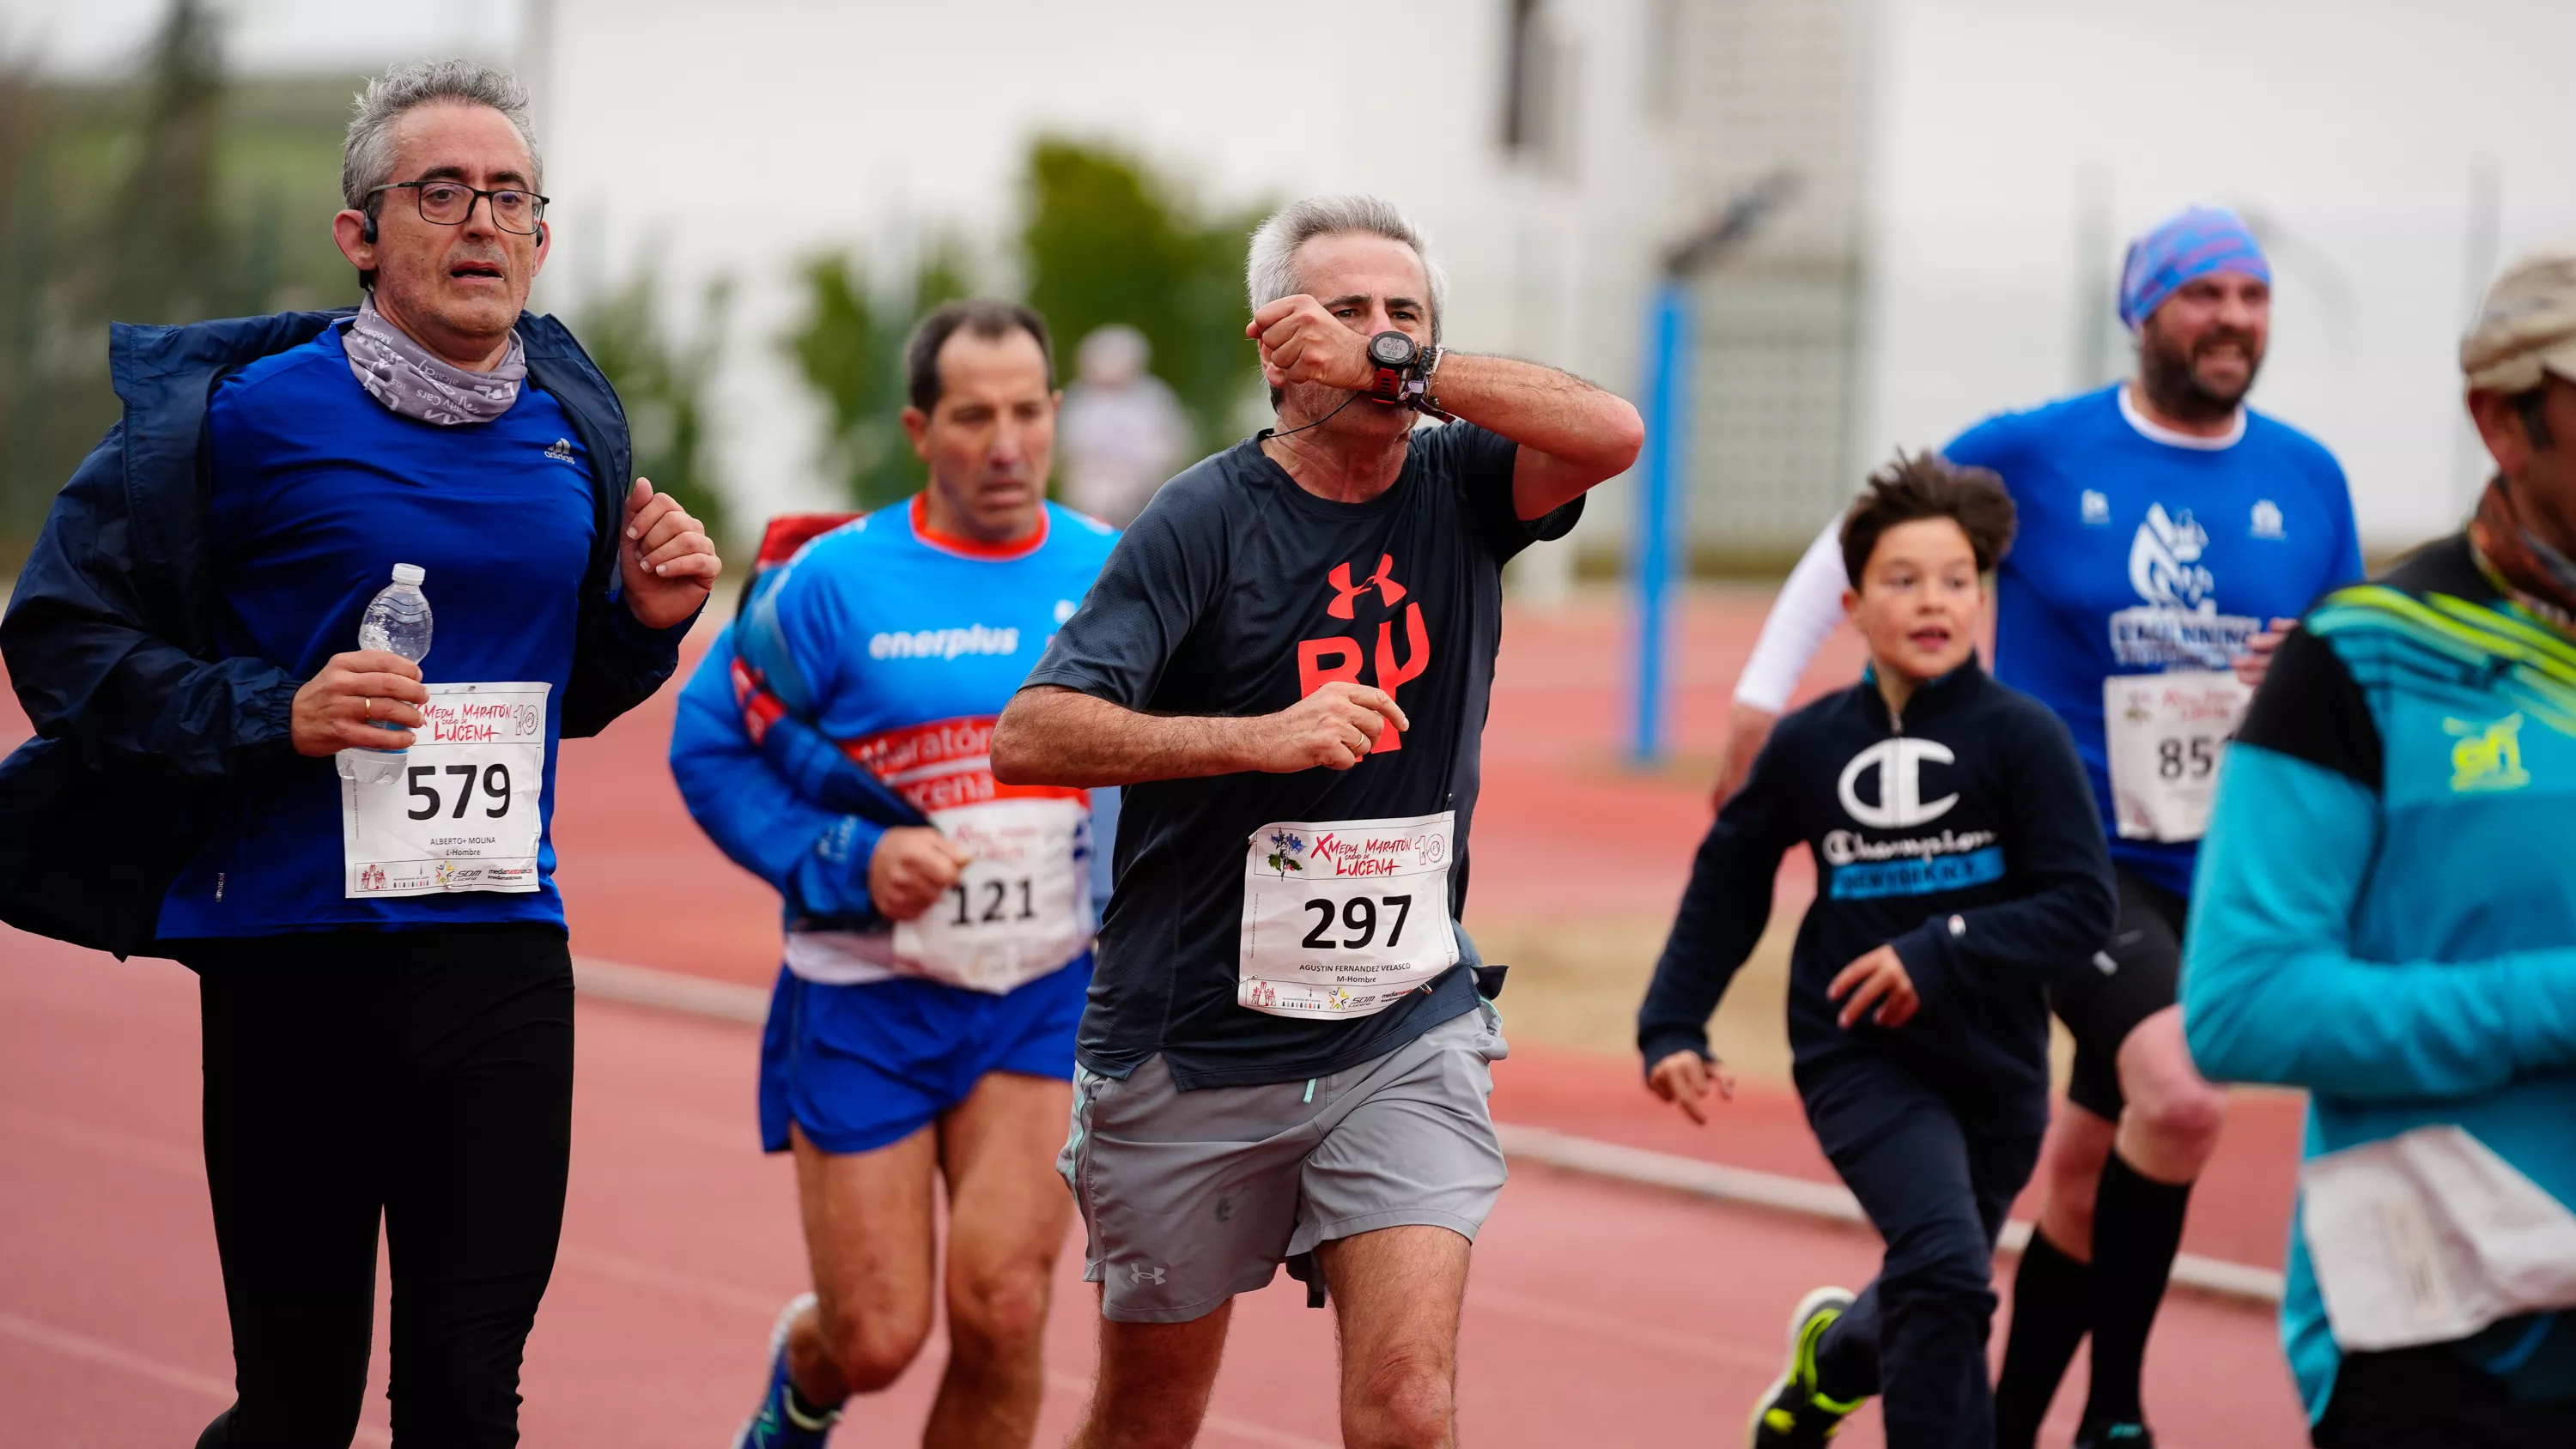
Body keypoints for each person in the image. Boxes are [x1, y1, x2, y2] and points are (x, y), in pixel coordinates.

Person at [0, 60, 715, 1447]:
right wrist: (276, 710)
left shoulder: (572, 425)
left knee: (465, 1397)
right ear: (360, 235)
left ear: (543, 235)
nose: (481, 222)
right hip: (296, 956)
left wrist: (644, 625)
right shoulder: (244, 417)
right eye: (439, 192)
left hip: (503, 948)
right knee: (297, 1406)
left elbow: (559, 692)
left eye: (511, 195)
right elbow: (60, 632)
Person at [987, 193, 1641, 1449]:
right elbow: (1033, 734)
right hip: (1192, 1044)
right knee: (1146, 1425)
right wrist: (1257, 738)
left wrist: (1413, 365)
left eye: (1408, 315)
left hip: (1404, 1027)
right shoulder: (1201, 521)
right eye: (1347, 311)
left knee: (1407, 1409)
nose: (1380, 336)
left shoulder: (1464, 486)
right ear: (1273, 344)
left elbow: (1610, 430)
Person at [1712, 205, 2362, 1447]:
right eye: (2203, 294)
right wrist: (1759, 695)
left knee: (2078, 1172)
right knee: (2178, 1098)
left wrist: (2309, 666)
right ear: (2143, 310)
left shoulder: (2309, 477)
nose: (2232, 318)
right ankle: (2113, 1414)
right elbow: (1858, 540)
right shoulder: (2041, 449)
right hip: (2062, 864)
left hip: (2225, 873)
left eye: (2253, 296)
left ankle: (1864, 1359)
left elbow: (2347, 669)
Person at [668, 300, 1119, 1449]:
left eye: (1027, 412)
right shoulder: (831, 580)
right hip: (868, 994)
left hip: (1042, 992)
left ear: (1056, 414)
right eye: (974, 416)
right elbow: (709, 743)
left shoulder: (1114, 569)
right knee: (878, 1336)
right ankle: (804, 1380)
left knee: (1005, 1307)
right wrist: (852, 858)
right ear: (922, 428)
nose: (1006, 443)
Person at [1639, 454, 2115, 1449]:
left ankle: (1827, 1369)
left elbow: (2079, 907)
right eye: (1904, 580)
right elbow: (1731, 877)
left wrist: (1945, 948)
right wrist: (1673, 1021)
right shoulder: (1812, 744)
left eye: (1956, 579)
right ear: (1854, 604)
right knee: (1947, 1267)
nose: (1933, 601)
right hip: (1859, 1053)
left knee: (1930, 1279)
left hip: (2000, 1070)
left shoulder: (2024, 739)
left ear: (1982, 597)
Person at [2184, 247, 2576, 1447]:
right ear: (2503, 422)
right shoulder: (2365, 659)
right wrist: (2559, 1001)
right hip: (2453, 1336)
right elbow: (2242, 1006)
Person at [1057, 323, 1193, 528]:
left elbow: (1171, 447)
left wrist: (1135, 478)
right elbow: (1067, 452)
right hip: (1088, 502)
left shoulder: (1153, 397)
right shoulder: (1078, 399)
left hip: (1143, 500)